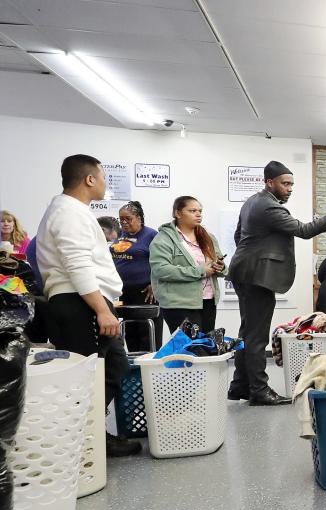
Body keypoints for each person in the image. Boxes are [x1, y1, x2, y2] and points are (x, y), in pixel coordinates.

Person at [35, 154, 140, 457]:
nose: (106, 183)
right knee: (84, 377)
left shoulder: (70, 210)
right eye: (104, 177)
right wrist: (102, 310)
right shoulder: (69, 212)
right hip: (80, 304)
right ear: (90, 179)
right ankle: (77, 443)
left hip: (83, 302)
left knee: (115, 365)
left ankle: (91, 433)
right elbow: (78, 265)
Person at [227, 160, 326, 406]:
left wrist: (253, 255)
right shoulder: (268, 206)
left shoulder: (252, 202)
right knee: (256, 337)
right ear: (269, 182)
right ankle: (259, 390)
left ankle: (240, 385)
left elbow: (238, 236)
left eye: (291, 184)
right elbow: (304, 230)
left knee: (247, 332)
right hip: (256, 277)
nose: (289, 188)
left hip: (247, 273)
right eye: (285, 184)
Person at [150, 196, 225, 333]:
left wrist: (220, 267)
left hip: (208, 300)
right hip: (179, 303)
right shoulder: (164, 239)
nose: (198, 214)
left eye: (200, 211)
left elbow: (219, 261)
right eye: (192, 211)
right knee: (190, 349)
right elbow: (161, 270)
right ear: (178, 213)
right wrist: (200, 271)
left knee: (206, 347)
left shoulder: (207, 236)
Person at [110, 201, 161, 352]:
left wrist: (154, 283)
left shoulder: (152, 235)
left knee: (146, 334)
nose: (124, 222)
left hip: (146, 292)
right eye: (121, 219)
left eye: (128, 218)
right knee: (130, 333)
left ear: (139, 218)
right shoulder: (119, 235)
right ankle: (133, 369)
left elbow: (161, 262)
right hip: (123, 292)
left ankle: (148, 368)